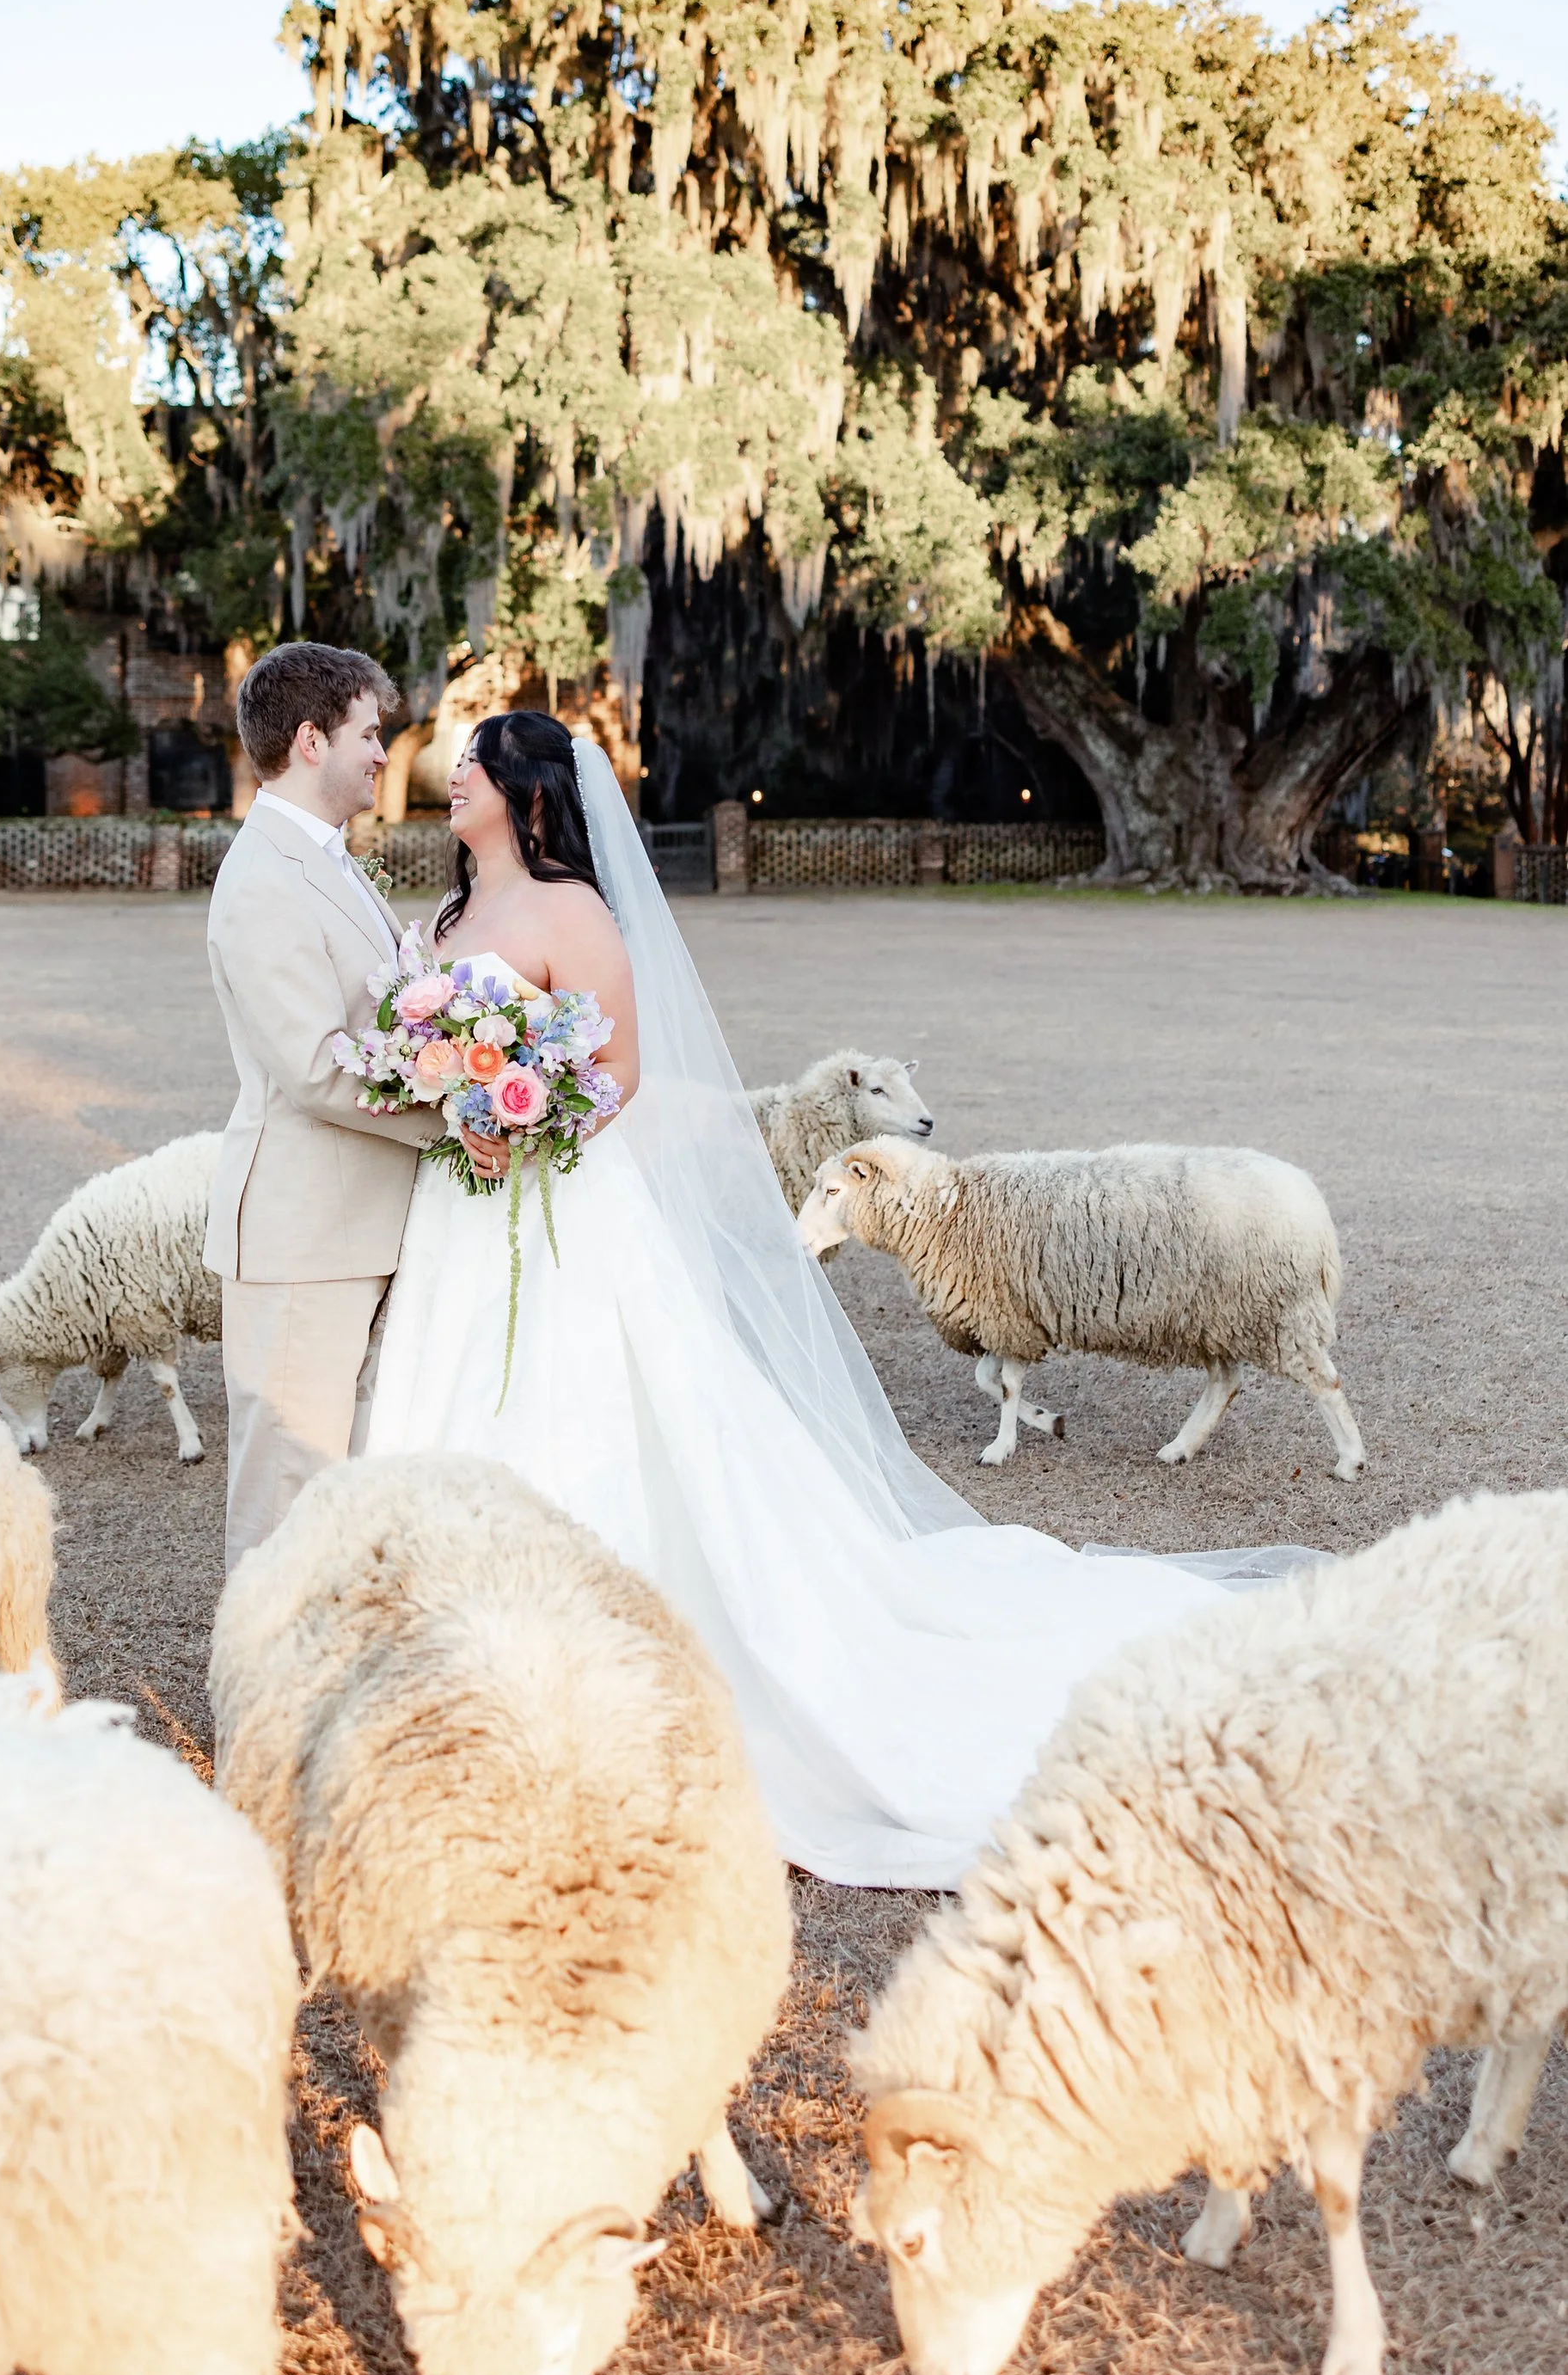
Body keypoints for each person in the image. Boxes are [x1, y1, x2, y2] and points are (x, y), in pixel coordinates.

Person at [363, 709, 1308, 1890]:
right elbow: (422, 1040)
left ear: (527, 790)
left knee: (593, 1414)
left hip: (555, 1202)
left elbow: (617, 1071)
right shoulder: (446, 921)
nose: (449, 782)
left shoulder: (573, 913)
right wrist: (453, 1095)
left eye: (470, 768)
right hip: (461, 1210)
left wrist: (521, 1119)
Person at [202, 643, 504, 1568]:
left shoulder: (328, 863)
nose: (384, 754)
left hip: (356, 1221)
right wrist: (457, 1119)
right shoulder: (263, 881)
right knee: (290, 1489)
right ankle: (267, 1702)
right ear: (308, 740)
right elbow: (315, 1065)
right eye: (369, 734)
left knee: (347, 1483)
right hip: (303, 1234)